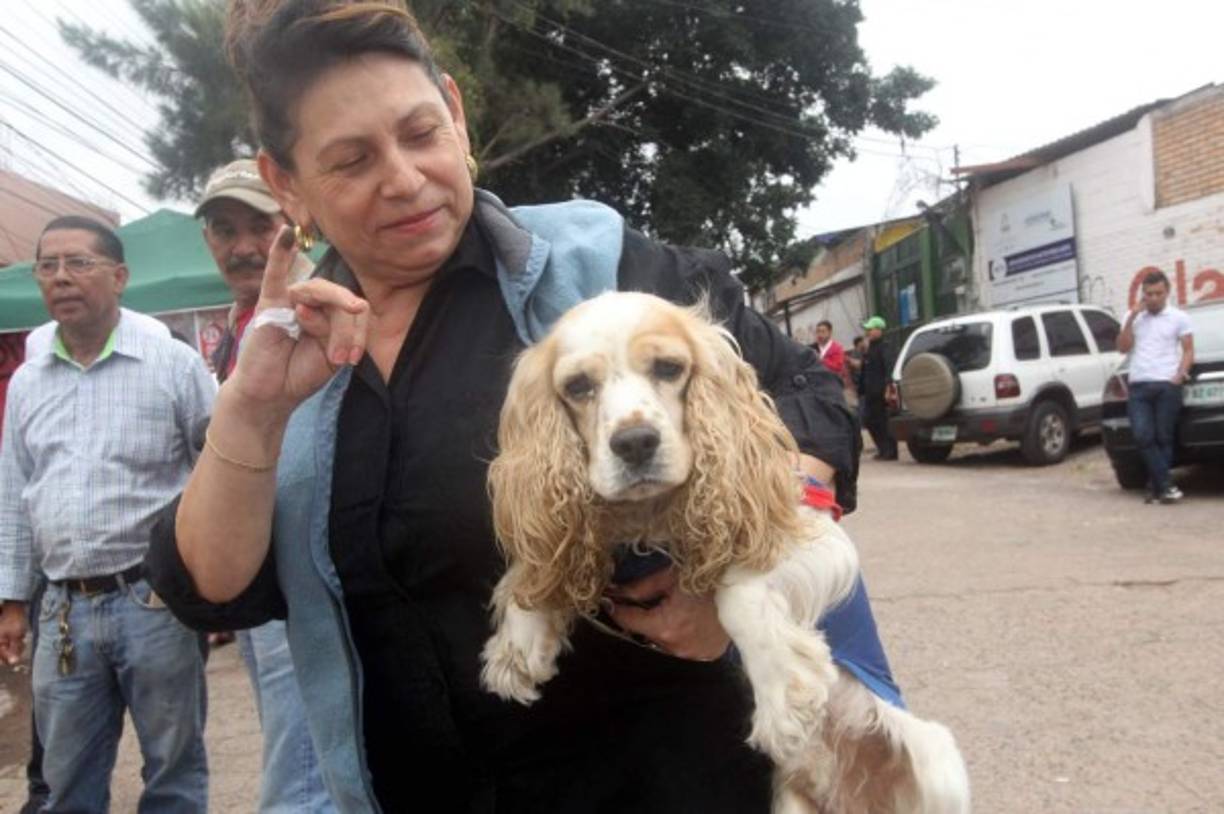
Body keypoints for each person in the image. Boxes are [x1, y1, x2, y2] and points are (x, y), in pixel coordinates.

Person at [143, 3, 879, 811]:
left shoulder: (597, 269)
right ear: (286, 183)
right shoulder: (290, 360)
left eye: (421, 133)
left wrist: (748, 583)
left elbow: (811, 399)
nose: (404, 178)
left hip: (666, 785)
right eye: (351, 161)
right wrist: (253, 410)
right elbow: (212, 589)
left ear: (457, 116)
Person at [0, 216, 214, 812]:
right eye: (47, 266)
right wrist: (13, 600)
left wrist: (211, 578)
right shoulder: (28, 382)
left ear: (119, 277)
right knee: (67, 776)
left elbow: (220, 467)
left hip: (154, 601)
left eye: (78, 263)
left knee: (173, 768)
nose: (61, 277)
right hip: (63, 609)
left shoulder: (172, 365)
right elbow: (16, 489)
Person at [195, 158, 334, 813]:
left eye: (261, 224)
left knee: (302, 775)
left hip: (303, 575)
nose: (244, 245)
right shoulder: (237, 326)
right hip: (256, 573)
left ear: (297, 223)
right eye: (224, 229)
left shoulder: (321, 307)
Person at [1117, 270, 1194, 504]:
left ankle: (1155, 487)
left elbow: (1189, 349)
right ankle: (1167, 485)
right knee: (1142, 436)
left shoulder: (1179, 317)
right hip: (1139, 385)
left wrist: (1179, 375)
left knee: (1163, 438)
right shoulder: (1133, 317)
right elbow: (1122, 348)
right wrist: (1132, 317)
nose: (1153, 298)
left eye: (1158, 293)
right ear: (1143, 294)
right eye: (1148, 294)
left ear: (1167, 292)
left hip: (1167, 384)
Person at [861, 315, 898, 460]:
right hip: (870, 392)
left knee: (882, 422)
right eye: (867, 329)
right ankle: (883, 449)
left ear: (879, 330)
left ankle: (889, 451)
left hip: (881, 392)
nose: (868, 332)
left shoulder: (885, 347)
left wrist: (888, 388)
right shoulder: (871, 348)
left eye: (871, 329)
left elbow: (889, 368)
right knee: (870, 421)